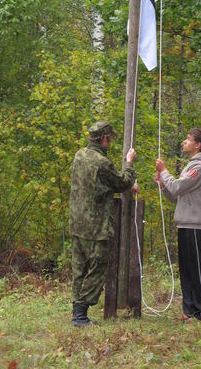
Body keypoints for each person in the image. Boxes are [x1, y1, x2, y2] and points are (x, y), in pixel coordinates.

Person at [69, 121, 138, 327]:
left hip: (77, 222)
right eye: (110, 139)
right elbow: (122, 183)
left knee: (79, 268)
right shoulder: (102, 163)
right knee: (98, 266)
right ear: (104, 139)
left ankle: (77, 312)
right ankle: (80, 315)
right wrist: (129, 163)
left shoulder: (79, 156)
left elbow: (99, 185)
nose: (110, 143)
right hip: (95, 226)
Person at [155, 128, 201, 322]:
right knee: (187, 270)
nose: (184, 142)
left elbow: (179, 186)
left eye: (188, 140)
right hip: (185, 223)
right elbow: (175, 195)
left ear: (198, 145)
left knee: (197, 270)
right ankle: (189, 311)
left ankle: (200, 313)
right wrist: (163, 184)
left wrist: (165, 172)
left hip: (196, 226)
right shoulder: (190, 166)